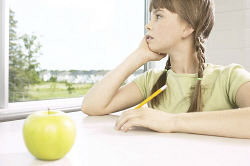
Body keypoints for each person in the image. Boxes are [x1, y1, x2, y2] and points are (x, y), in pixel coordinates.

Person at [82, 0, 250, 139]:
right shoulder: (152, 80)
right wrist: (139, 56)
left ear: (187, 27)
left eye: (159, 16)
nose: (148, 25)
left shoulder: (229, 77)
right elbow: (92, 106)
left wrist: (171, 122)